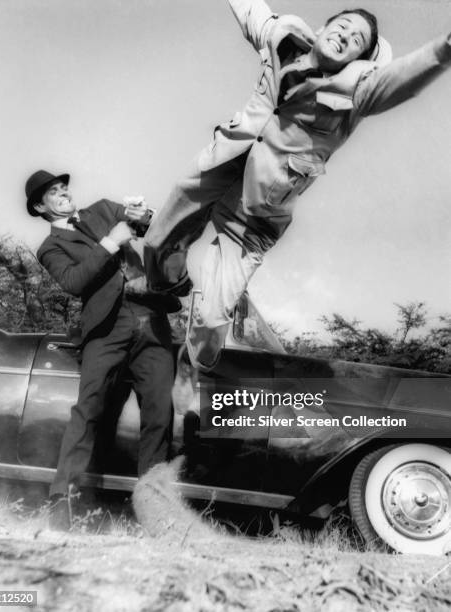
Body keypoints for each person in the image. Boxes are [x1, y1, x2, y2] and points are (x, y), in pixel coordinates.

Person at [144, 0, 451, 408]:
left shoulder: (360, 89)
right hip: (221, 164)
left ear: (361, 56)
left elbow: (403, 80)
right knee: (156, 243)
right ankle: (170, 286)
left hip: (255, 215)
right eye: (343, 27)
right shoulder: (280, 37)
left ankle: (195, 374)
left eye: (357, 40)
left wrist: (444, 48)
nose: (346, 37)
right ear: (324, 27)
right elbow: (250, 9)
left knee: (211, 322)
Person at [26, 169, 180, 529]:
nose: (63, 193)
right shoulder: (50, 247)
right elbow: (74, 282)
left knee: (159, 414)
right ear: (40, 206)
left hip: (151, 319)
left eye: (64, 187)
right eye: (53, 192)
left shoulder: (106, 209)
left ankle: (154, 511)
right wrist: (111, 242)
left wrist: (148, 216)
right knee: (88, 412)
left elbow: (153, 231)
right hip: (106, 329)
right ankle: (62, 507)